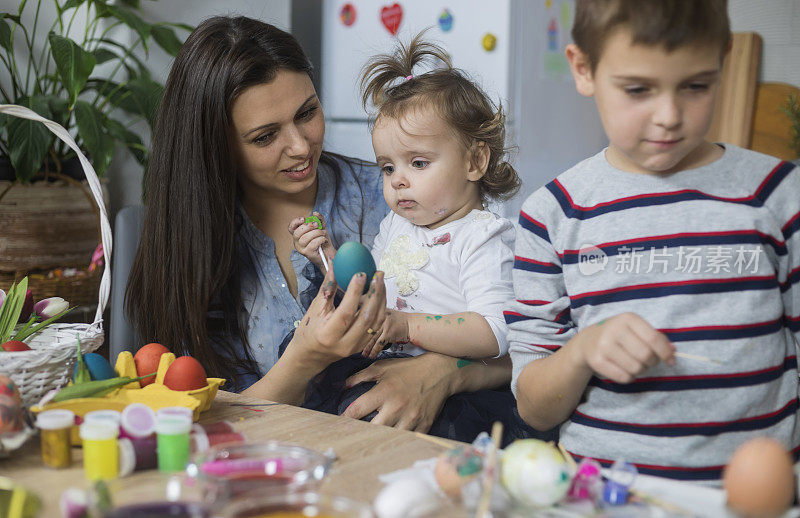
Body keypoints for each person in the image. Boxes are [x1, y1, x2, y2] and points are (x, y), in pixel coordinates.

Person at [126, 16, 513, 435]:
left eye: (307, 112)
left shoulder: (406, 203)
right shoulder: (194, 246)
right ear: (217, 147)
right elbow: (194, 422)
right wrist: (304, 359)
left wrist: (441, 373)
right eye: (264, 136)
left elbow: (531, 340)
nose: (300, 145)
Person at [508, 0, 800, 482]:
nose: (668, 115)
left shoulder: (777, 195)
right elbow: (534, 409)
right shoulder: (552, 215)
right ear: (583, 69)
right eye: (638, 89)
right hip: (604, 499)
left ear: (724, 60)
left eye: (696, 86)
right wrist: (582, 351)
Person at [292, 36, 541, 446]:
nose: (398, 180)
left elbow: (495, 332)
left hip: (461, 393)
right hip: (391, 366)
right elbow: (370, 286)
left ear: (474, 161)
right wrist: (328, 257)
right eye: (388, 167)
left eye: (418, 163)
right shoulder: (397, 224)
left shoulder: (483, 238)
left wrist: (406, 326)